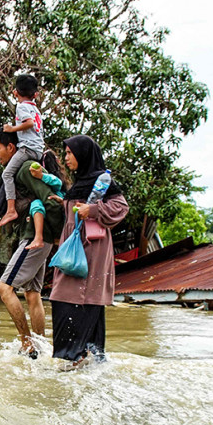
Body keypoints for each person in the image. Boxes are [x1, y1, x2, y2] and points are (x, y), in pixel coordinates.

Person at [50, 135, 129, 365]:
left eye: (69, 153)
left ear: (83, 155)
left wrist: (92, 210)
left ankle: (73, 357)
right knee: (67, 296)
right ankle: (87, 357)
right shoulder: (80, 182)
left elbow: (121, 207)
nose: (65, 159)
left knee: (74, 297)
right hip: (74, 246)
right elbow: (75, 209)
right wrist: (62, 202)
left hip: (90, 249)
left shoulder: (102, 180)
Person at [0, 128, 65, 358]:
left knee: (4, 288)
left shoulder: (23, 169)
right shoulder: (21, 172)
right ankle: (41, 348)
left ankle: (27, 345)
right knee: (32, 294)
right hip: (39, 237)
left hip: (35, 237)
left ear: (11, 147)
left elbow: (52, 202)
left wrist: (49, 235)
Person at [0, 74, 45, 228]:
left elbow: (28, 123)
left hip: (27, 149)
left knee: (6, 174)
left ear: (15, 92)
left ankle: (10, 210)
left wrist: (12, 128)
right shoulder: (35, 109)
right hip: (38, 149)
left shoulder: (22, 107)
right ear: (35, 94)